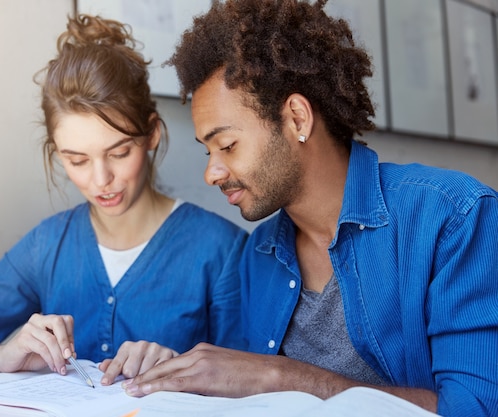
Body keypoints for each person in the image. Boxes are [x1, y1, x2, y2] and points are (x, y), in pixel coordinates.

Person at [120, 1, 498, 416]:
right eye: (208, 150)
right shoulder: (259, 254)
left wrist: (282, 377)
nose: (212, 172)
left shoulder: (454, 218)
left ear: (297, 118)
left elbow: (474, 408)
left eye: (227, 145)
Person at [0, 14, 248, 384]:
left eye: (119, 153)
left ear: (152, 133)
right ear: (58, 155)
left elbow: (255, 377)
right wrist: (1, 354)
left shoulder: (222, 250)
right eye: (77, 160)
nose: (101, 179)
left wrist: (182, 366)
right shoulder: (48, 245)